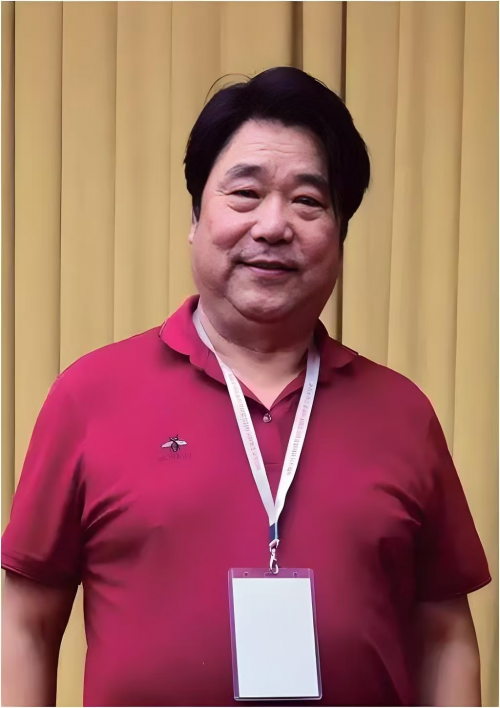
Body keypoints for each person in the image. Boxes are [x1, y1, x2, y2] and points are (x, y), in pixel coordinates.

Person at [2, 67, 490, 707]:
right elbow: (26, 624)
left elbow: (444, 638)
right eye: (245, 194)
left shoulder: (403, 413)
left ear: (340, 236)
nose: (273, 226)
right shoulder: (90, 396)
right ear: (195, 216)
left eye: (308, 201)